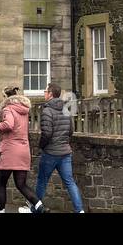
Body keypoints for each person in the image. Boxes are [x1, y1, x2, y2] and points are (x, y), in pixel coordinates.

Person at [36, 82, 85, 213]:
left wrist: (41, 146)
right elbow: (71, 131)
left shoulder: (47, 111)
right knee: (70, 182)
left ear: (51, 94)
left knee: (42, 181)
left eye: (45, 91)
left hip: (51, 152)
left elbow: (46, 134)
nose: (44, 93)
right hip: (65, 152)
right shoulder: (66, 110)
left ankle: (34, 209)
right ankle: (79, 211)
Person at [0, 86, 43, 214]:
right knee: (21, 184)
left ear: (6, 97)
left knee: (1, 185)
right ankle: (39, 206)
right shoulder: (24, 110)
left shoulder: (8, 109)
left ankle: (0, 212)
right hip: (23, 150)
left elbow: (9, 125)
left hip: (10, 151)